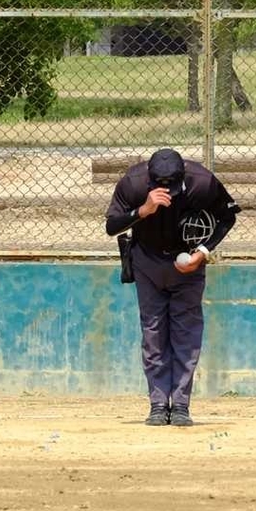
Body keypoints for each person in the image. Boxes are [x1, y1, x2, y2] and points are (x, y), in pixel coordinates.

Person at [104, 147, 239, 427]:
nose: (168, 192)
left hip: (188, 262)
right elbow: (112, 226)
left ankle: (180, 404)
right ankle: (157, 404)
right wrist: (143, 210)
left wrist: (203, 251)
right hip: (147, 262)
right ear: (151, 180)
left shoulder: (202, 182)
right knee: (152, 333)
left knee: (186, 334)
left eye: (174, 187)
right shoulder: (133, 182)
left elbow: (228, 216)